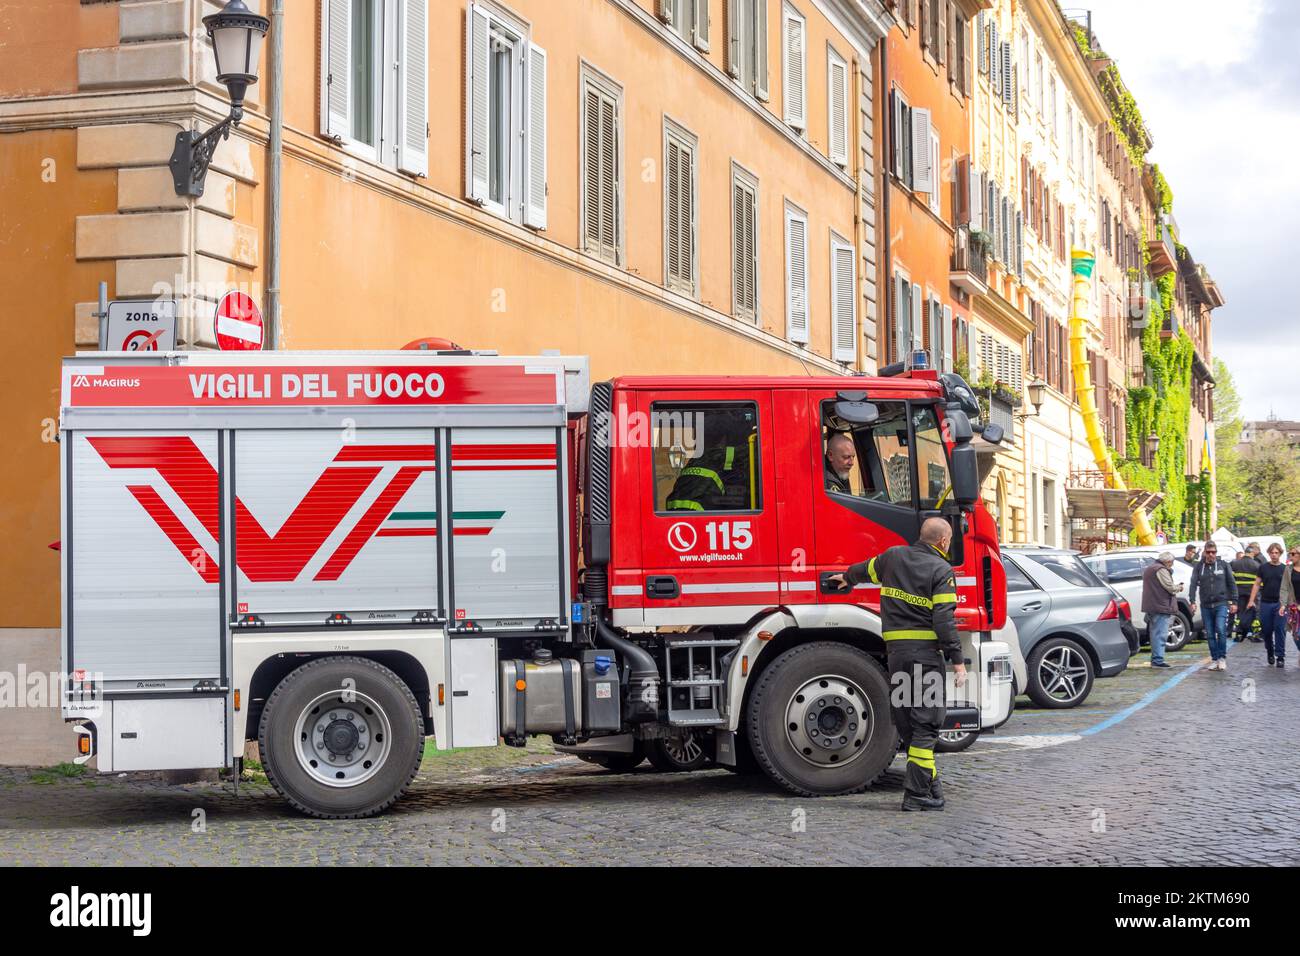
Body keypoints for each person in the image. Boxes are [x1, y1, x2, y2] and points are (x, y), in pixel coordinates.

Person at [826, 517, 965, 812]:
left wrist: (846, 578)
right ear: (943, 542)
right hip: (925, 658)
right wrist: (958, 660)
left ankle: (932, 791)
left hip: (897, 657)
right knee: (926, 726)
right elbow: (943, 619)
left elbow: (865, 569)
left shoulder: (893, 557)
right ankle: (916, 795)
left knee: (911, 728)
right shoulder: (942, 570)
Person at [664, 409, 755, 512]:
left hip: (680, 514)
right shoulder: (716, 456)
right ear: (723, 439)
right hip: (697, 517)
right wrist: (755, 441)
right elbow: (745, 452)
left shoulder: (695, 461)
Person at [1188, 541, 1237, 671]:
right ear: (1204, 552)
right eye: (1208, 552)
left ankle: (1222, 658)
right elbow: (1193, 584)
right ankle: (1214, 659)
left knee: (1220, 630)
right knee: (1209, 633)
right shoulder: (1199, 567)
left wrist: (1234, 601)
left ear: (1216, 553)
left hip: (1221, 603)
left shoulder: (1223, 565)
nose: (1211, 555)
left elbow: (1232, 583)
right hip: (1205, 605)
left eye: (1213, 552)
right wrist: (1192, 601)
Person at [1247, 543, 1288, 668]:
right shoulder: (1263, 568)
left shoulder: (1285, 569)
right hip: (1265, 603)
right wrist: (1251, 600)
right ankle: (1270, 651)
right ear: (1269, 553)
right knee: (1267, 630)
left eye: (1276, 553)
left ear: (1280, 554)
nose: (1274, 555)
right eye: (1272, 552)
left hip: (1280, 604)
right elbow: (1257, 584)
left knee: (1280, 630)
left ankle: (1280, 656)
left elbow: (1290, 588)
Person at [1141, 552, 1182, 669]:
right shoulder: (1161, 570)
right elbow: (1170, 588)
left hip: (1153, 605)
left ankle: (1156, 659)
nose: (1171, 565)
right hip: (1160, 606)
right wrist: (1179, 587)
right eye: (1171, 563)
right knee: (1160, 634)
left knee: (1155, 634)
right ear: (1168, 562)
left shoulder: (1151, 568)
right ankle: (1158, 660)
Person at [1230, 548, 1261, 643]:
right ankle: (1255, 634)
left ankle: (1238, 634)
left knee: (1239, 613)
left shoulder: (1235, 564)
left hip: (1239, 592)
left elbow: (1231, 579)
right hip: (1252, 593)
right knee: (1255, 613)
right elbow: (1259, 582)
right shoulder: (1256, 565)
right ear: (1251, 553)